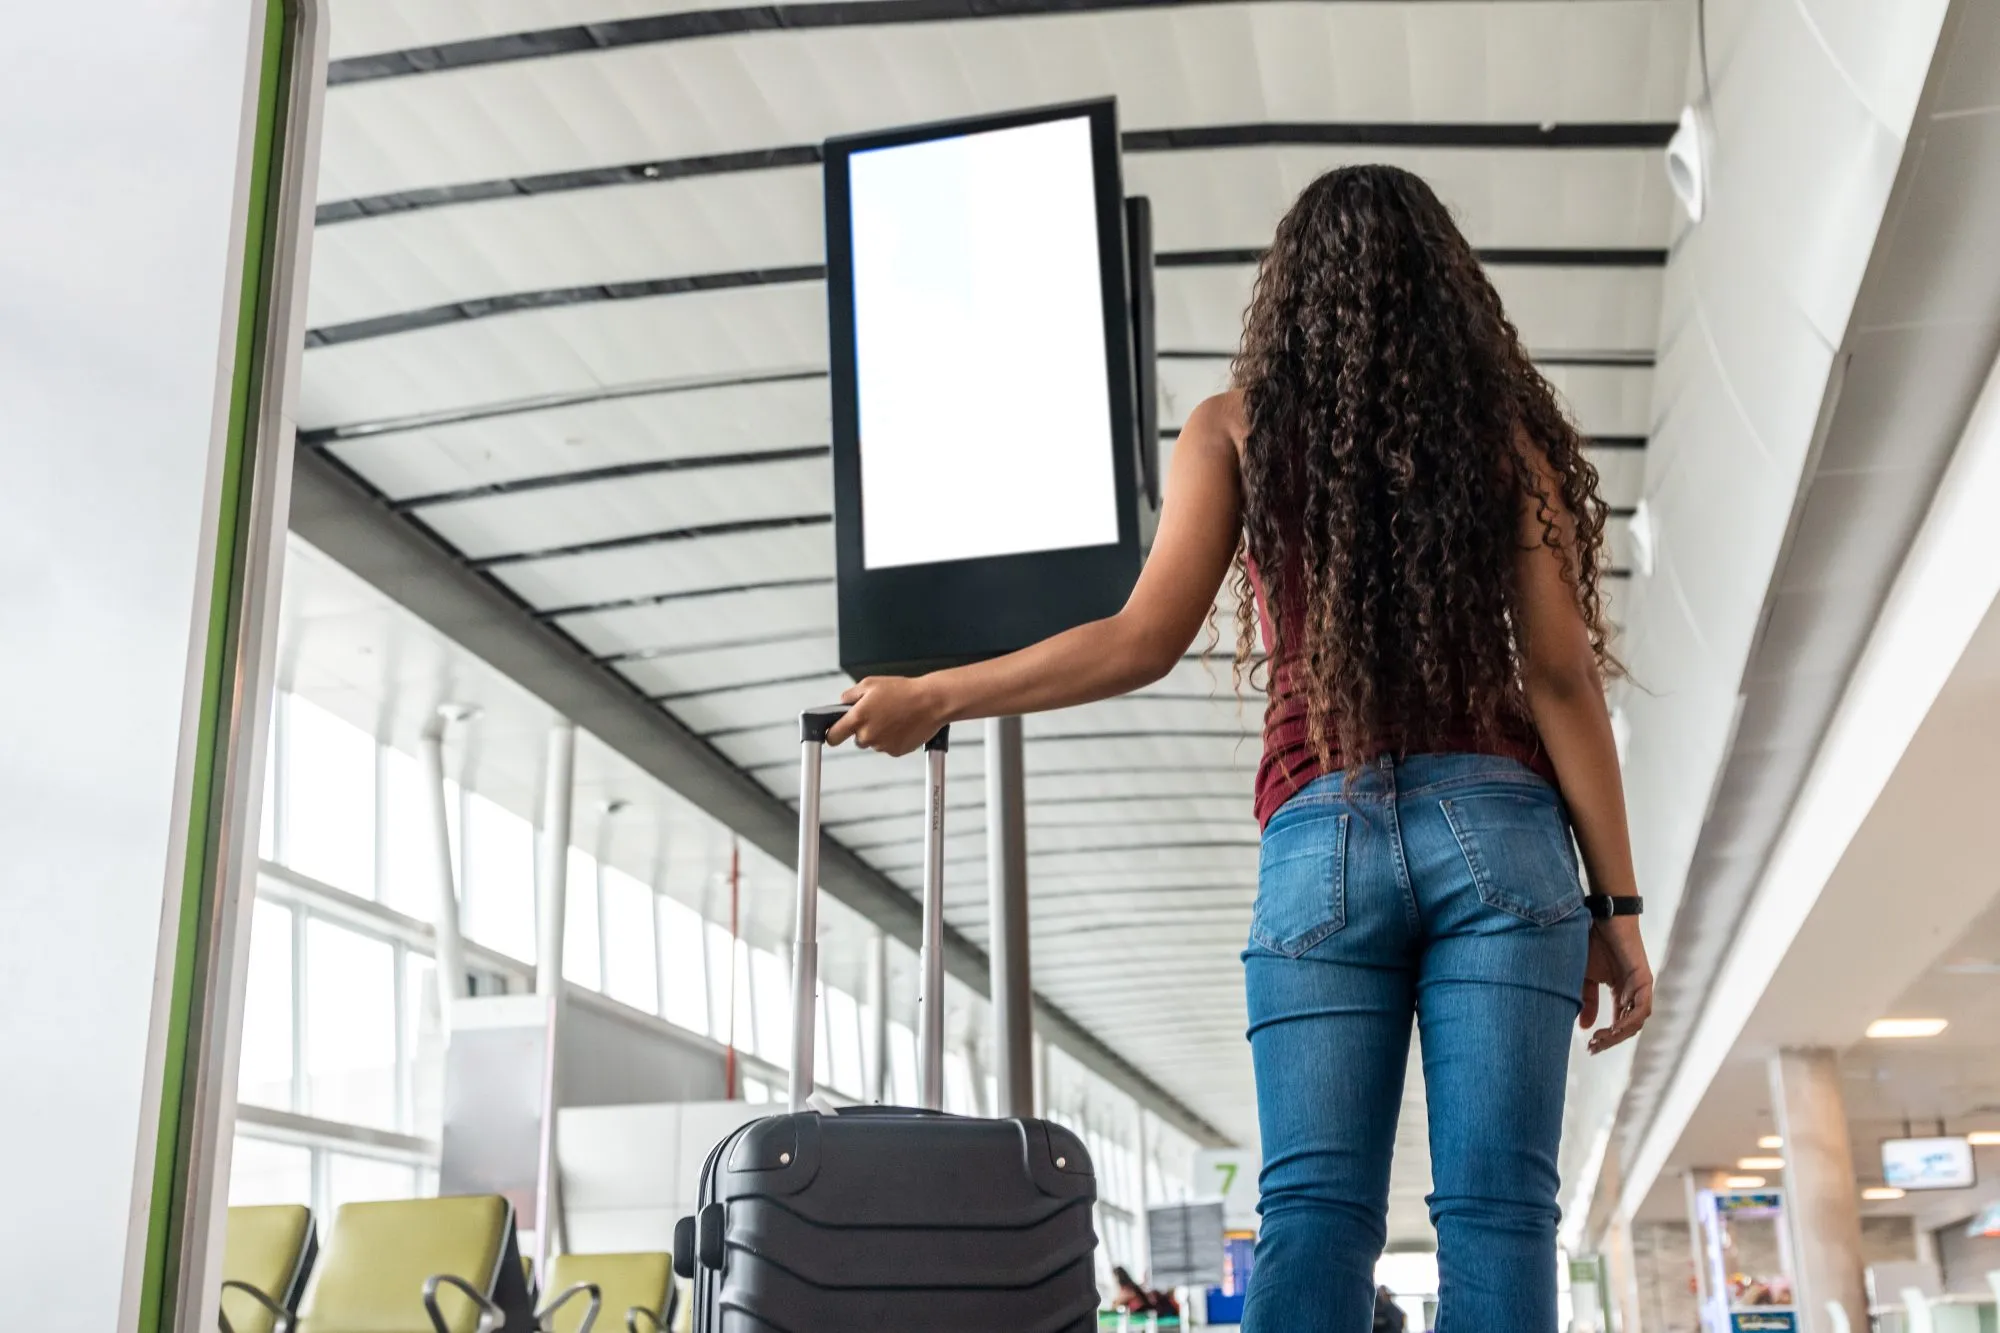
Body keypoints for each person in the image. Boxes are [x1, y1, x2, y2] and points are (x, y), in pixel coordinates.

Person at [825, 164, 1655, 1331]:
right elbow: (1561, 676)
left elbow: (1138, 638)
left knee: (1314, 1204)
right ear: (1449, 289)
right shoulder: (1503, 437)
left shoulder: (1233, 428)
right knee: (1498, 1209)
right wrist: (1613, 903)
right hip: (1503, 836)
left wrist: (937, 694)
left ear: (1291, 291)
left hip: (1321, 844)